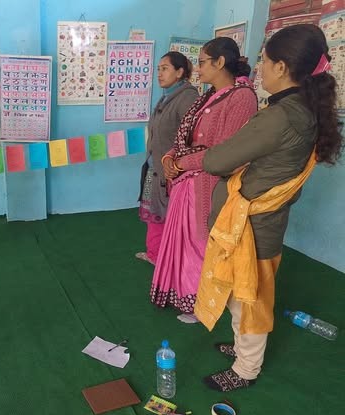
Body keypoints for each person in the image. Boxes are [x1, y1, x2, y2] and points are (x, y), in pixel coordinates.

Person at [194, 24, 342, 391]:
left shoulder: (280, 115)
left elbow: (216, 160)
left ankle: (246, 369)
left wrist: (211, 156)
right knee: (241, 293)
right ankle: (244, 351)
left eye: (263, 61)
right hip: (262, 219)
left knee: (250, 298)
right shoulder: (303, 109)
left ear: (281, 67)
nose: (258, 69)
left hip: (253, 224)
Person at [149, 37, 258, 322]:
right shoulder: (207, 96)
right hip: (186, 180)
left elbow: (224, 150)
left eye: (201, 62)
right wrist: (169, 157)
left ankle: (203, 302)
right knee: (184, 244)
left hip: (208, 183)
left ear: (220, 63)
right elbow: (185, 137)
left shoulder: (242, 98)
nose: (197, 69)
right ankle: (182, 294)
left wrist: (181, 162)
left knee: (201, 243)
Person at [136, 52, 198, 265]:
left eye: (165, 68)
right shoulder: (167, 95)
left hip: (172, 172)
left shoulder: (187, 97)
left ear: (180, 72)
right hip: (155, 168)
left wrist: (175, 164)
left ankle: (169, 261)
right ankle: (154, 254)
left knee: (170, 217)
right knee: (154, 213)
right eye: (158, 68)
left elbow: (190, 138)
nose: (159, 74)